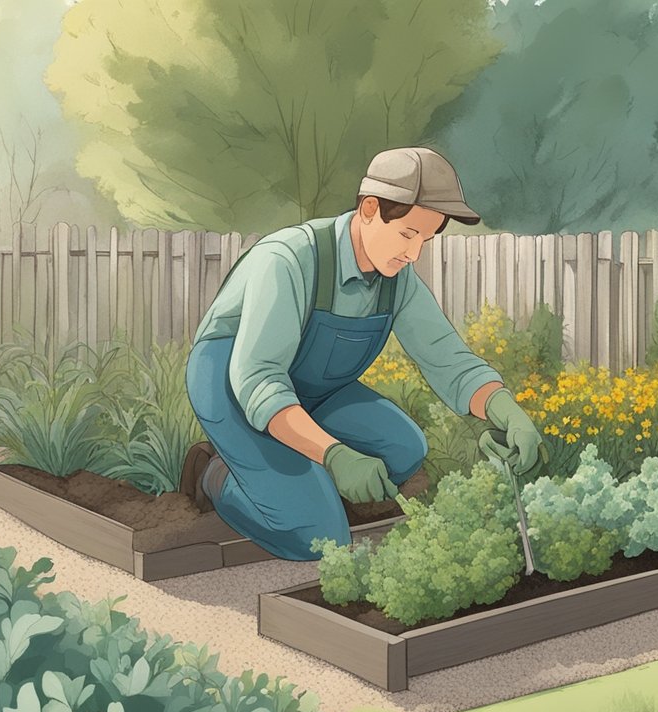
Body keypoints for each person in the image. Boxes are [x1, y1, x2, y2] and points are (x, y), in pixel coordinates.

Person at [180, 146, 547, 561]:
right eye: (408, 234)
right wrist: (336, 455)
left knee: (404, 449)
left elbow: (449, 360)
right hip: (234, 387)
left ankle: (297, 472)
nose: (413, 254)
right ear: (369, 208)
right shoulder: (288, 259)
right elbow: (259, 380)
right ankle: (214, 474)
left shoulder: (396, 279)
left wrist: (508, 412)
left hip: (314, 391)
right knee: (319, 537)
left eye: (424, 240)